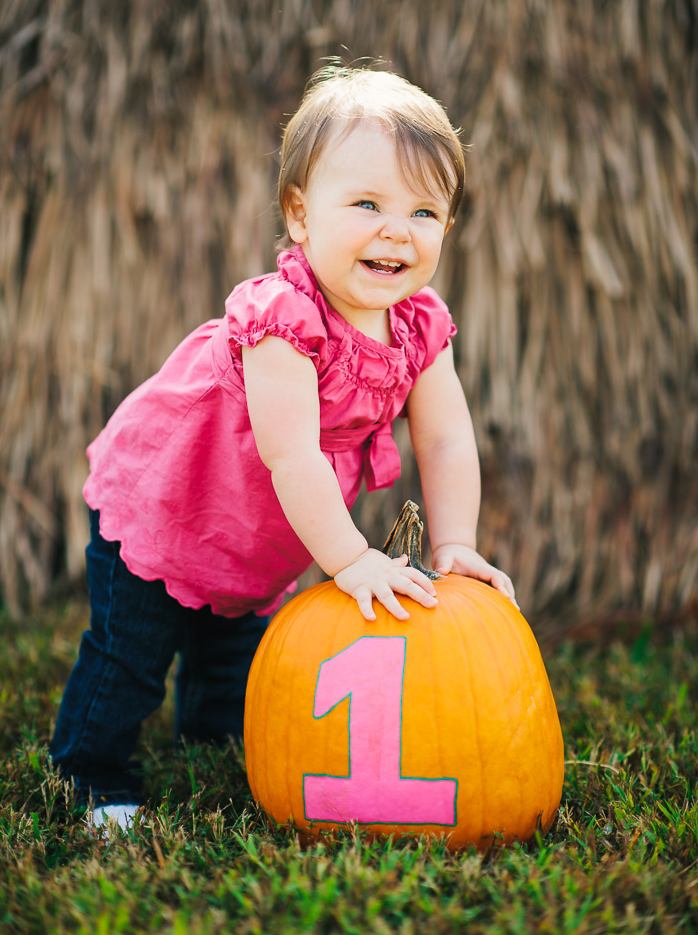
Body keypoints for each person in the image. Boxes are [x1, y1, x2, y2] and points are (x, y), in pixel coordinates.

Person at [50, 63, 516, 834]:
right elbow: (291, 455)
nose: (396, 229)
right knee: (130, 654)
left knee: (231, 648)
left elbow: (444, 434)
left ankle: (209, 742)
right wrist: (351, 559)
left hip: (254, 532)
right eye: (366, 203)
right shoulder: (283, 321)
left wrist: (456, 541)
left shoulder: (420, 327)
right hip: (170, 503)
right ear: (300, 215)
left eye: (424, 211)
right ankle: (91, 775)